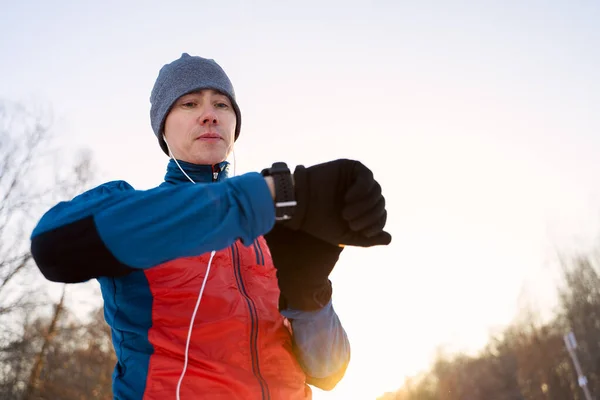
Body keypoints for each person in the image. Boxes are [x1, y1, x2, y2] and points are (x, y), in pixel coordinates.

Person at [30, 53, 391, 400]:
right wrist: (270, 194)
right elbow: (52, 246)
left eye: (221, 104)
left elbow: (328, 372)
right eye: (189, 104)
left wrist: (309, 292)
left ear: (235, 123)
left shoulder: (269, 233)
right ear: (162, 129)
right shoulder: (132, 211)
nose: (209, 115)